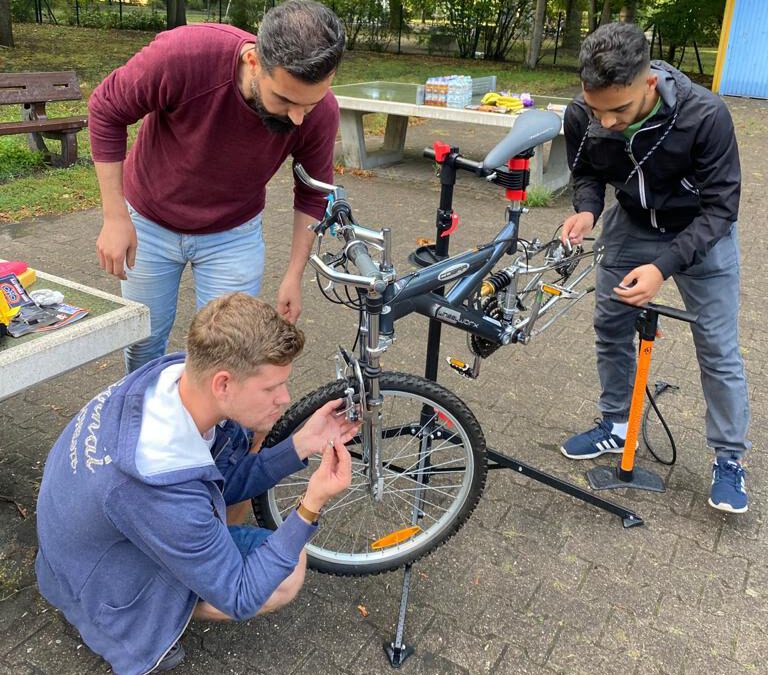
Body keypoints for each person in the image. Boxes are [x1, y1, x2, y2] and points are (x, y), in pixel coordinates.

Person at [35, 293, 358, 674]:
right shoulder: (156, 486)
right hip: (99, 591)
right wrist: (311, 504)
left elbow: (221, 482)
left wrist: (302, 443)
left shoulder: (170, 383)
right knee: (286, 575)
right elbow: (240, 596)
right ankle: (136, 629)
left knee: (215, 535)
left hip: (77, 554)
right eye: (272, 388)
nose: (285, 399)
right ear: (223, 384)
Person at [88, 0, 344, 373]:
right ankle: (144, 422)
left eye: (311, 102)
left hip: (233, 234)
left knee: (226, 356)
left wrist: (293, 275)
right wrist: (114, 217)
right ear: (254, 62)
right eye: (285, 99)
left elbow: (313, 192)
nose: (298, 116)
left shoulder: (318, 112)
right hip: (149, 223)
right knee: (143, 346)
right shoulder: (185, 55)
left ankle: (212, 432)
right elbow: (106, 108)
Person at [559, 22, 751, 513]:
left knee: (718, 346)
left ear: (649, 84)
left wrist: (662, 268)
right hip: (632, 222)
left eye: (618, 110)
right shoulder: (585, 111)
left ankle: (729, 458)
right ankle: (617, 424)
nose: (606, 122)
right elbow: (586, 171)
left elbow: (720, 209)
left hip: (699, 231)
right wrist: (587, 209)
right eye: (596, 110)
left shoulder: (705, 115)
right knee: (610, 324)